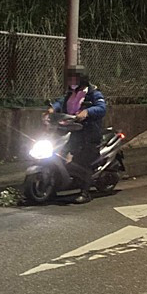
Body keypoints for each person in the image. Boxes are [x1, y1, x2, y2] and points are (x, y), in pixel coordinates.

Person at [46, 64, 107, 204]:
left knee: (83, 161)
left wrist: (88, 112)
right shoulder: (70, 94)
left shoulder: (93, 94)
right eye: (70, 79)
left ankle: (85, 193)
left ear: (82, 79)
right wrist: (52, 109)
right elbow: (60, 102)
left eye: (74, 79)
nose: (71, 82)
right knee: (58, 154)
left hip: (88, 133)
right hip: (71, 132)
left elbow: (102, 108)